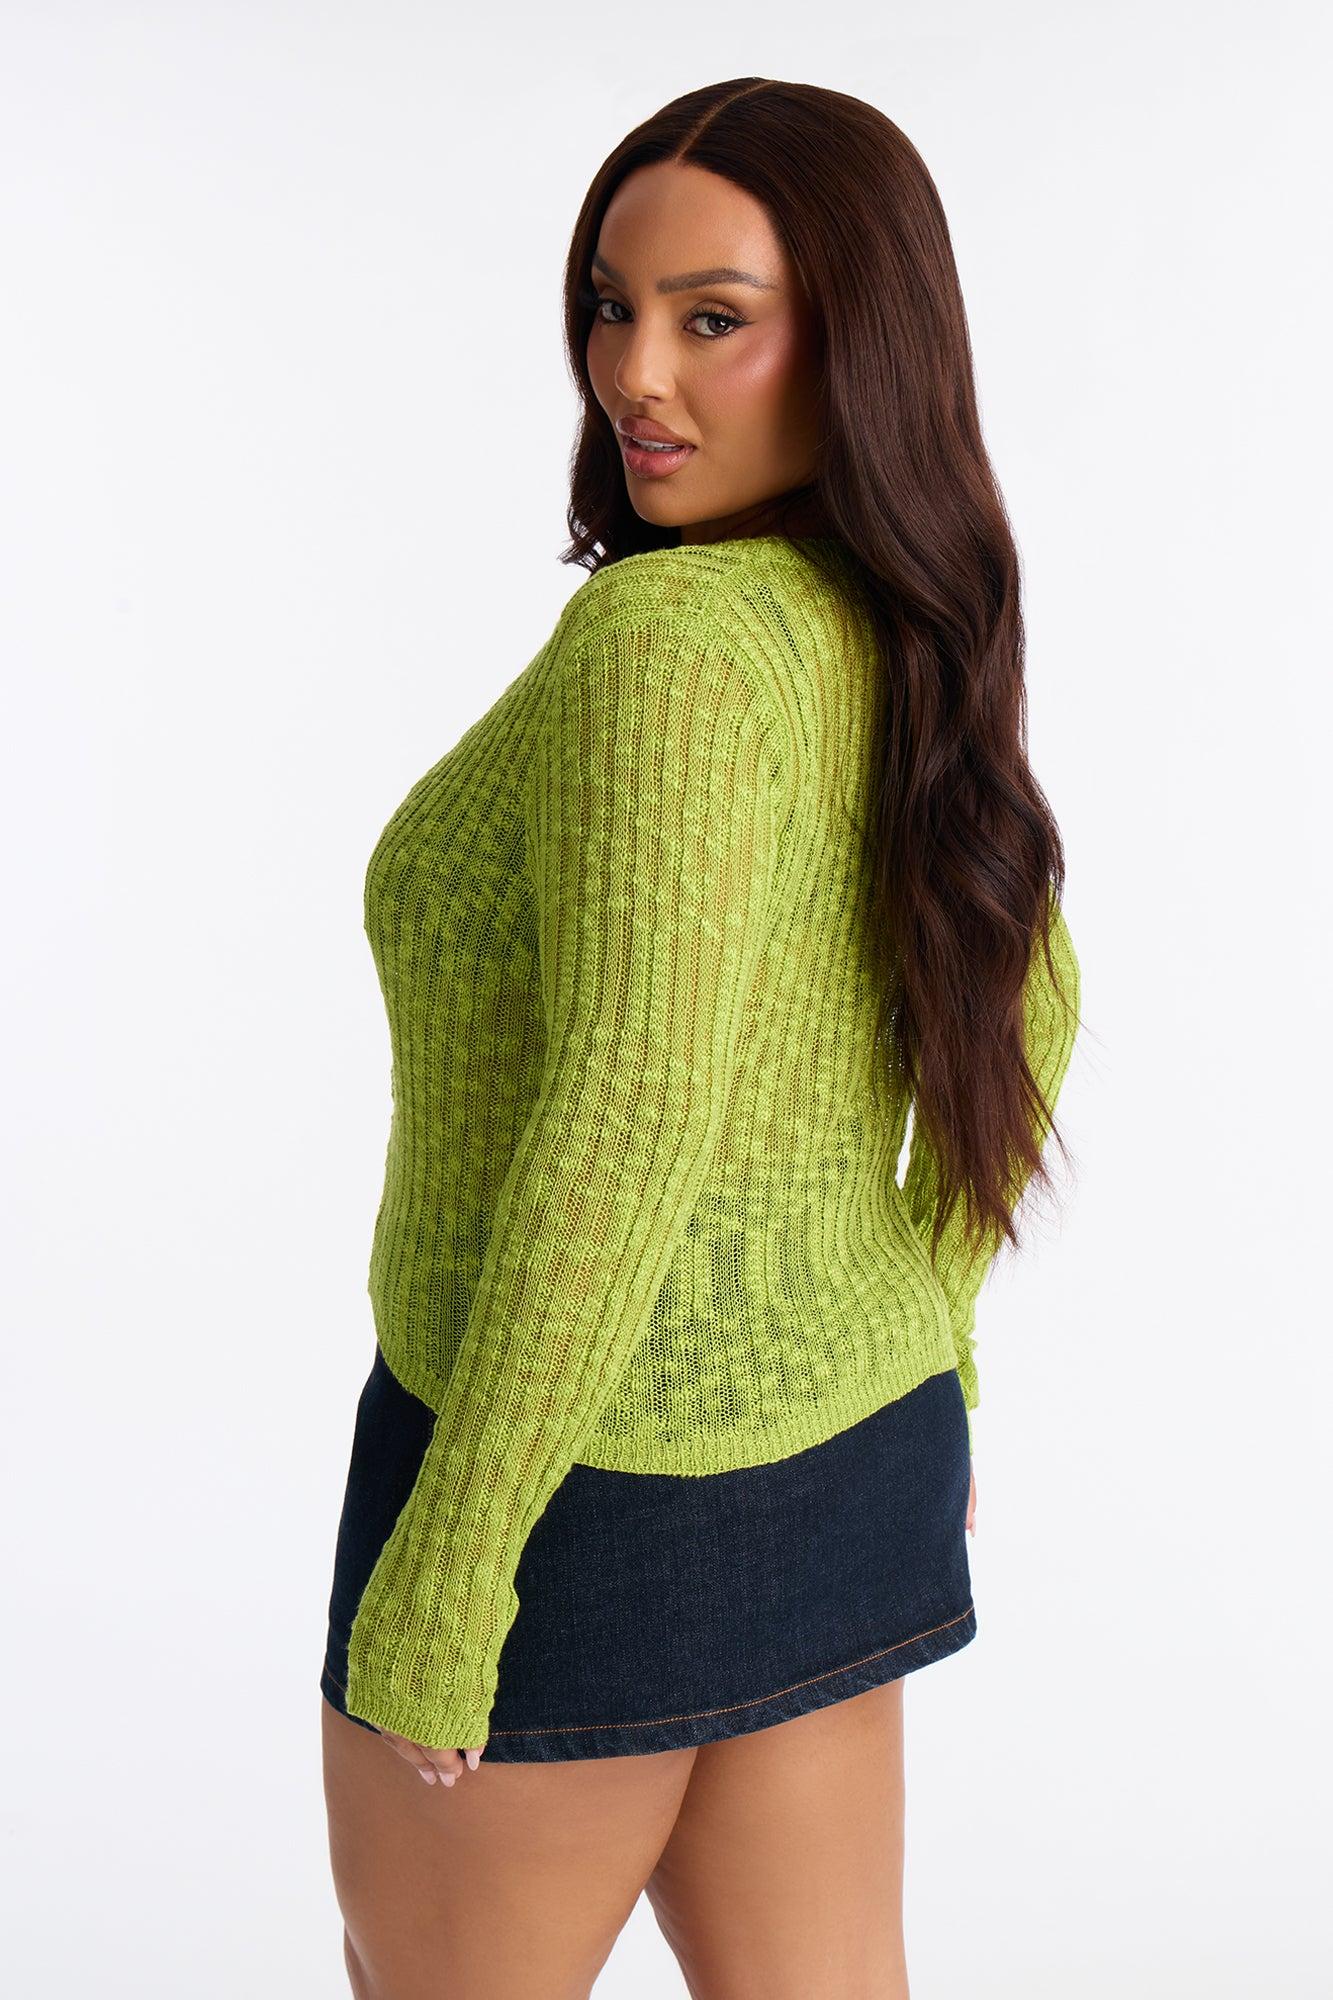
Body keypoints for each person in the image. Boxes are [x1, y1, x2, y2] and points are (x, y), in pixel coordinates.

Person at [319, 74, 1081, 2000]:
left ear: (859, 339)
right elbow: (1035, 990)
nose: (632, 376)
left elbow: (625, 1116)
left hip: (559, 1500)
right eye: (610, 305)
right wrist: (930, 1344)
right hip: (845, 1458)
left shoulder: (664, 649)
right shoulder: (887, 620)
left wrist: (451, 1564)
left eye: (710, 318)